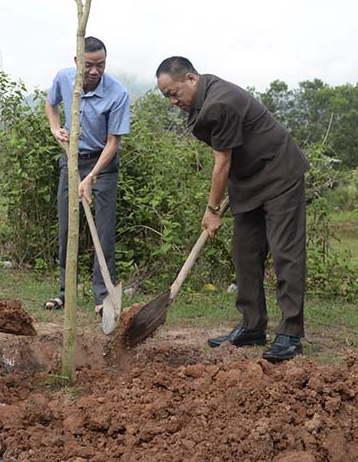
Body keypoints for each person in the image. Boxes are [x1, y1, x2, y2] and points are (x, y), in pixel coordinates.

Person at [155, 56, 308, 362]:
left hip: (279, 174)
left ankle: (290, 333)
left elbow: (221, 162)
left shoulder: (219, 103)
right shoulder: (203, 101)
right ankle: (252, 326)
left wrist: (212, 209)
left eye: (174, 93)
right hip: (248, 181)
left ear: (190, 79)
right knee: (245, 252)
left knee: (284, 253)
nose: (173, 101)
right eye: (166, 97)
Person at [44, 36, 130, 314]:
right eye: (89, 65)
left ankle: (102, 296)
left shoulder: (118, 93)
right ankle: (64, 293)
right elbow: (51, 103)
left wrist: (92, 176)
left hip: (102, 168)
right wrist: (55, 128)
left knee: (102, 234)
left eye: (101, 65)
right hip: (70, 163)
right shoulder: (64, 78)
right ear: (77, 62)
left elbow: (113, 142)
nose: (95, 71)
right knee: (67, 231)